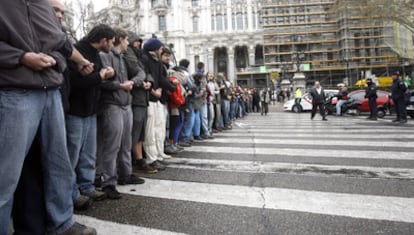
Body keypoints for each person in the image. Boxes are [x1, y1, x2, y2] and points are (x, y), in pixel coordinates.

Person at [0, 0, 96, 233]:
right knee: (6, 175)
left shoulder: (42, 5)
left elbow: (60, 43)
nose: (60, 13)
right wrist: (22, 57)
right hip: (15, 91)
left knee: (59, 165)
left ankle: (62, 224)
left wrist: (61, 62)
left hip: (50, 92)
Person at [66, 24, 116, 208]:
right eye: (111, 42)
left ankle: (86, 186)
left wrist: (110, 74)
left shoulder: (96, 54)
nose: (111, 45)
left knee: (88, 153)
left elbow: (98, 77)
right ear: (103, 40)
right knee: (73, 154)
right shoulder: (76, 51)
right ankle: (71, 193)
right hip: (76, 110)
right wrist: (101, 77)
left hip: (91, 109)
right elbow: (74, 82)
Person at [123, 31, 158, 174]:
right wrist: (142, 82)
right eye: (136, 41)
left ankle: (139, 159)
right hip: (135, 97)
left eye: (139, 41)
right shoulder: (129, 53)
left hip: (142, 97)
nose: (138, 43)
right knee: (134, 131)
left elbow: (145, 71)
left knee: (140, 132)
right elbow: (135, 70)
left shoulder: (138, 55)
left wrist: (149, 81)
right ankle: (131, 162)